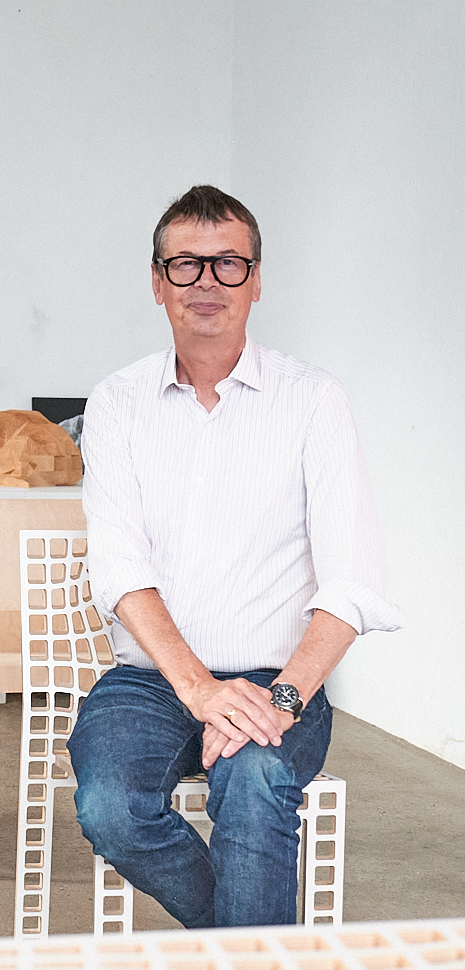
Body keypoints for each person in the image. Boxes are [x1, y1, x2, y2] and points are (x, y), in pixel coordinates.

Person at [68, 186, 402, 928]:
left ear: (256, 280)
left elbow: (352, 580)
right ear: (157, 282)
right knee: (110, 807)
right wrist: (199, 690)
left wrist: (278, 703)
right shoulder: (117, 401)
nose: (207, 282)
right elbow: (120, 567)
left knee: (254, 783)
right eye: (185, 264)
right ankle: (255, 961)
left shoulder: (313, 398)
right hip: (150, 680)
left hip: (279, 681)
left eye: (228, 263)